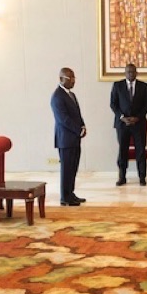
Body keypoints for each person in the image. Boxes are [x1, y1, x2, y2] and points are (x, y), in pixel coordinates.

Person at [110, 64, 147, 186]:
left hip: (139, 124)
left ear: (136, 73)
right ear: (125, 73)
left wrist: (137, 117)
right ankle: (122, 177)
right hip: (122, 124)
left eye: (133, 72)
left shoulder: (144, 86)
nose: (130, 74)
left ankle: (142, 177)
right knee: (123, 150)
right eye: (128, 72)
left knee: (140, 150)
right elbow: (113, 104)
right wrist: (122, 117)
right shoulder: (117, 85)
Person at [51, 67, 87, 206]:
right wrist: (78, 130)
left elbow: (77, 114)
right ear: (61, 79)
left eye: (74, 78)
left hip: (75, 138)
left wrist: (82, 126)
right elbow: (63, 119)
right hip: (65, 139)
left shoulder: (71, 95)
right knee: (66, 170)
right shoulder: (57, 96)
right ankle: (65, 198)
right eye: (70, 78)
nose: (73, 81)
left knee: (73, 168)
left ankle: (71, 194)